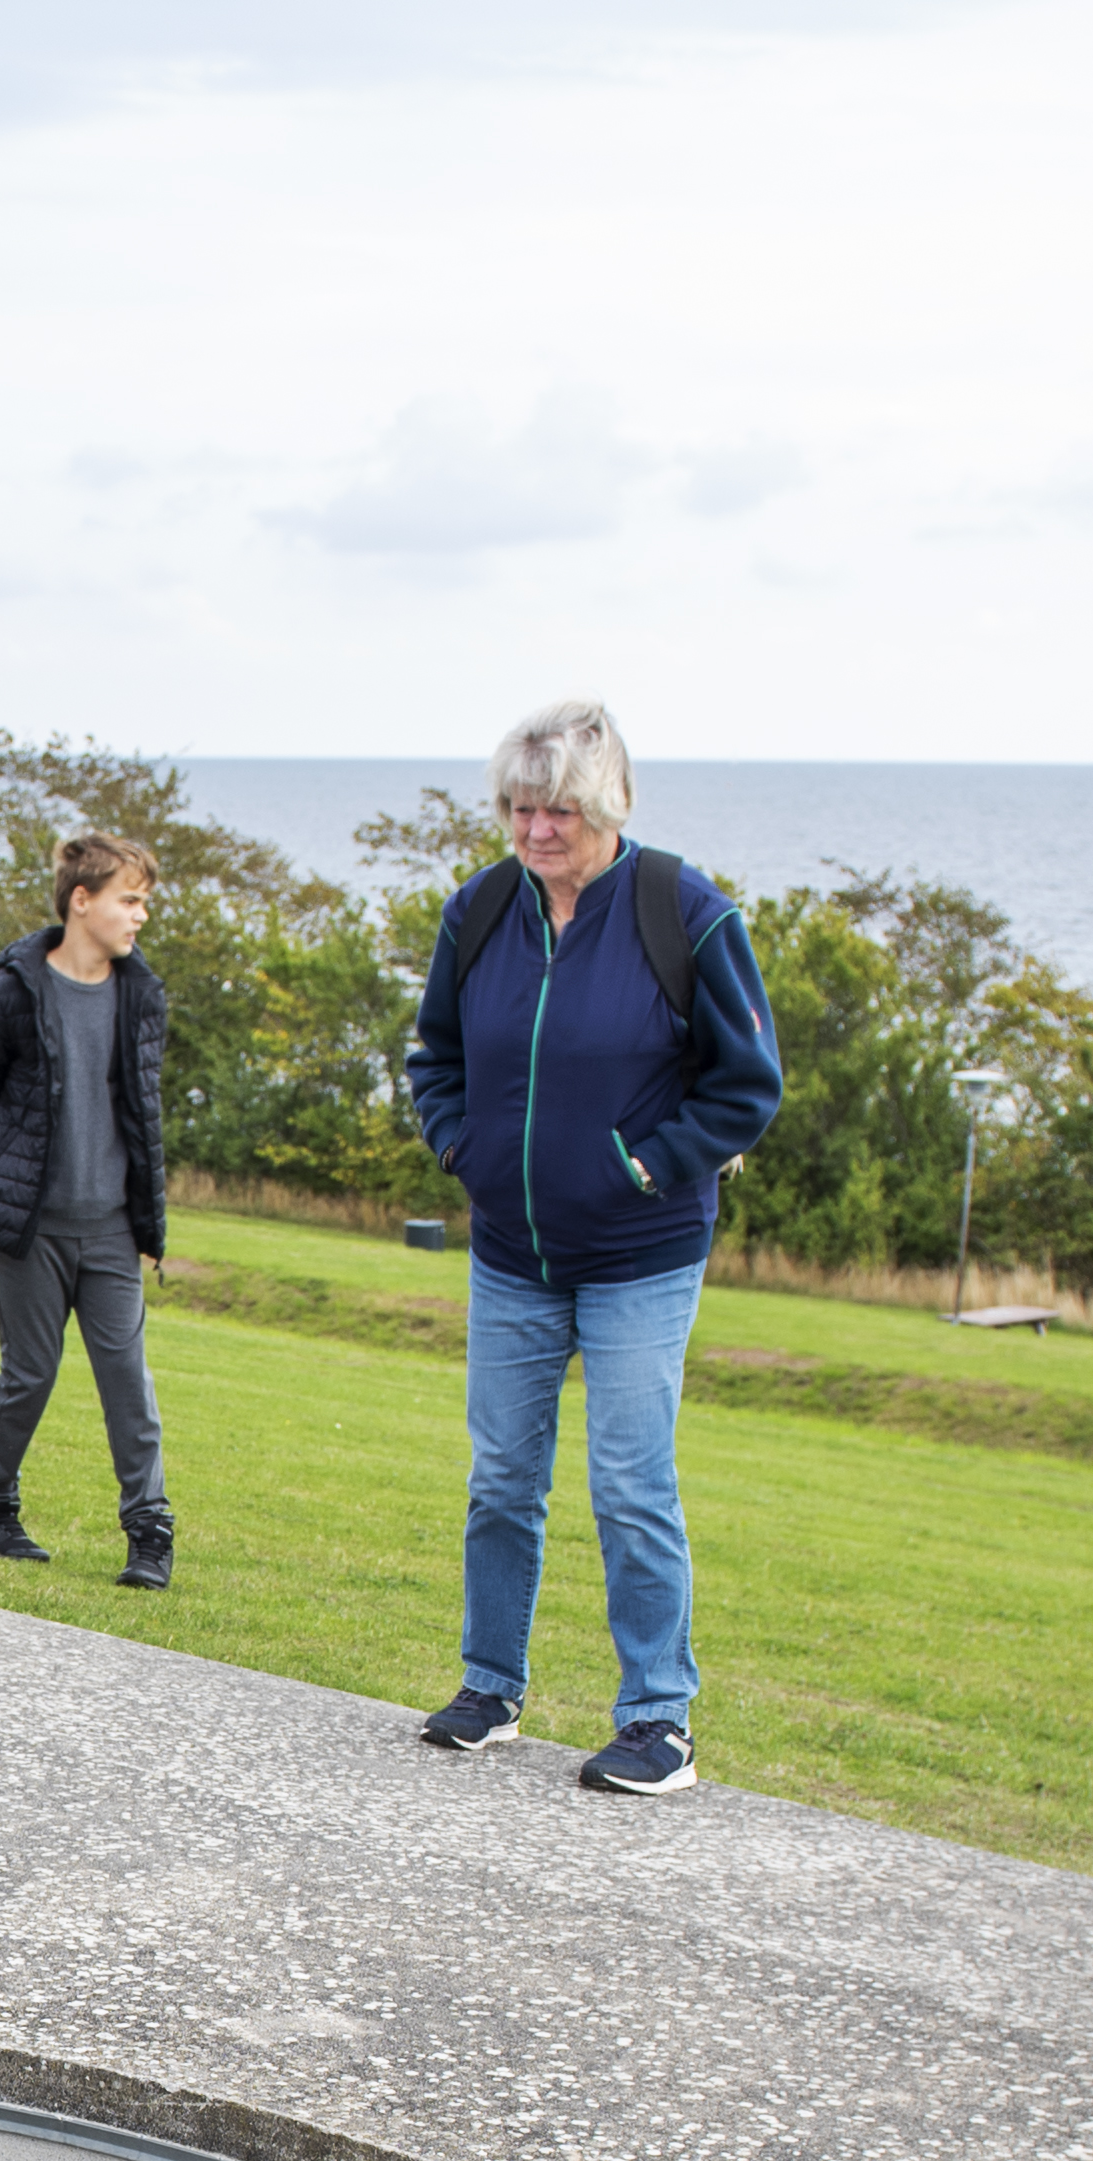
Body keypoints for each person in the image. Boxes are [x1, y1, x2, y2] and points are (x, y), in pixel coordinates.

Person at [398, 699, 780, 1795]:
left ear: (607, 804)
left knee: (629, 1482)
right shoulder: (478, 912)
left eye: (555, 809)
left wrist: (644, 1165)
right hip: (511, 1249)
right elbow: (433, 1055)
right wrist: (460, 1145)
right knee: (501, 1479)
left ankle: (658, 1719)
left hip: (640, 1255)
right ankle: (490, 1686)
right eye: (518, 809)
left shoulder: (684, 912)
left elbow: (746, 1085)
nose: (534, 831)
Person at [0, 832, 176, 1588]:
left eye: (143, 901)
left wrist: (150, 1227)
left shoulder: (142, 994)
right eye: (129, 900)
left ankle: (149, 1533)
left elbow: (146, 1114)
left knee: (127, 1383)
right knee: (28, 1376)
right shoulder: (12, 992)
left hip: (111, 1229)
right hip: (31, 1230)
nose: (141, 916)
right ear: (83, 901)